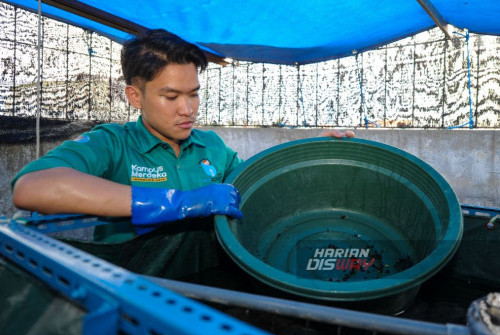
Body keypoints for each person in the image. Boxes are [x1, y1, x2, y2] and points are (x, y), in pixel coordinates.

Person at [12, 29, 354, 243]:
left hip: (208, 286)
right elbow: (32, 188)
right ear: (134, 97)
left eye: (194, 94)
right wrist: (177, 202)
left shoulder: (212, 148)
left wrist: (310, 153)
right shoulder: (114, 144)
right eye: (172, 97)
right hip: (132, 288)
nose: (187, 109)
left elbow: (258, 185)